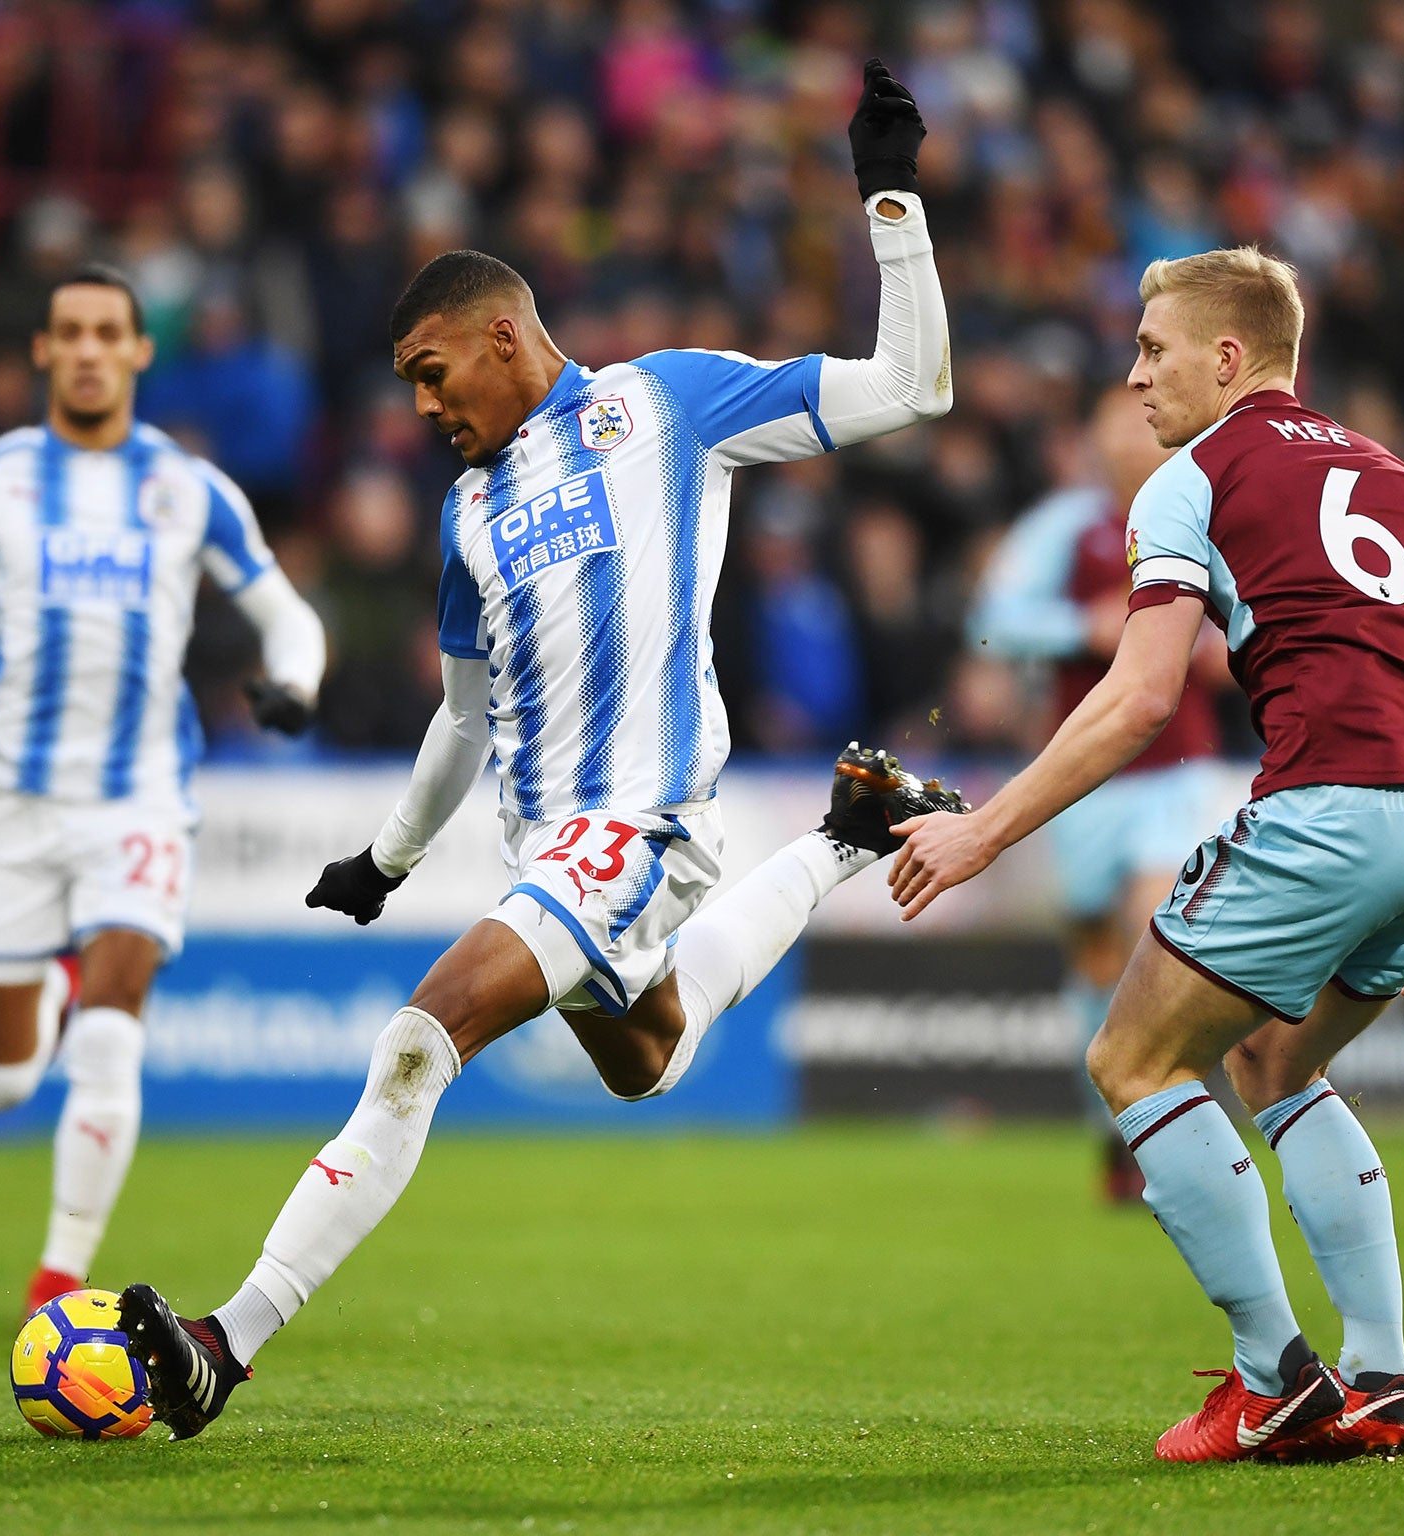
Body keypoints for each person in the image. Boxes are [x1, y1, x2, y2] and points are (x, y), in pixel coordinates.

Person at [116, 59, 963, 1441]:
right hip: (554, 848)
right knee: (653, 1054)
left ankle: (228, 1338)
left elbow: (912, 387)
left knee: (419, 1037)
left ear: (502, 336)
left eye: (431, 373)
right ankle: (842, 840)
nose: (423, 408)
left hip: (638, 824)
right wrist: (383, 861)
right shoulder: (464, 518)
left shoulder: (665, 408)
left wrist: (890, 199)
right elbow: (464, 713)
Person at [889, 247, 1404, 1463]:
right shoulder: (1403, 483)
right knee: (1276, 1060)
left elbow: (1136, 700)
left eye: (1149, 347)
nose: (1132, 375)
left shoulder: (1193, 477)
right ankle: (1380, 1376)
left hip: (1330, 805)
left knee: (1131, 1057)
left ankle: (1274, 1379)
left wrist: (978, 831)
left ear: (1226, 358)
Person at [0, 265, 326, 1315]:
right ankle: (54, 991)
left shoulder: (187, 488)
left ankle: (56, 1277)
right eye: (67, 332)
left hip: (141, 798)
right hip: (15, 808)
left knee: (116, 1023)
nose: (85, 349)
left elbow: (286, 614)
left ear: (137, 350)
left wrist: (294, 686)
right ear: (42, 351)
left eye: (105, 332)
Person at [968, 386, 1227, 1202]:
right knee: (1095, 961)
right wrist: (1082, 628)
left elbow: (1245, 618)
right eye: (1112, 419)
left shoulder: (1200, 513)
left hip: (1177, 770)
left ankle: (1176, 1114)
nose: (1129, 429)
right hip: (1084, 777)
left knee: (1159, 931)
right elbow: (995, 618)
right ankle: (1115, 1125)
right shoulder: (1066, 526)